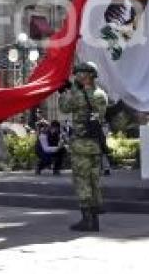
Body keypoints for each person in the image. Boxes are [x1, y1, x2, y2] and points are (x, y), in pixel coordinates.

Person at [58, 62, 108, 232]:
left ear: (86, 75)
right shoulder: (101, 94)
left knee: (82, 182)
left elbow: (64, 108)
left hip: (81, 145)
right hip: (95, 145)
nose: (76, 76)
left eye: (79, 73)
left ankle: (87, 220)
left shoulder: (77, 95)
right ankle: (94, 220)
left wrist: (64, 92)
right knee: (94, 182)